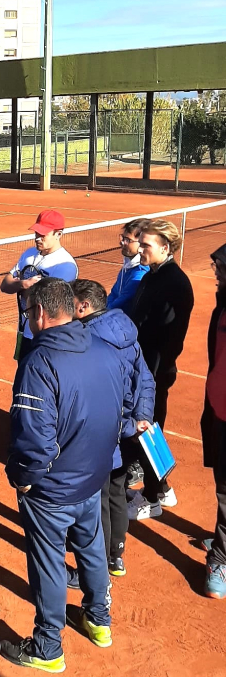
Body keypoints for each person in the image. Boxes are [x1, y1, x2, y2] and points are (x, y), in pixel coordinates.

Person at [0, 278, 124, 674]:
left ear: (39, 312)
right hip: (92, 478)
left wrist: (23, 477)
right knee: (91, 547)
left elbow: (34, 438)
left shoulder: (39, 362)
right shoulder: (103, 348)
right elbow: (116, 409)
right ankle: (99, 621)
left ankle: (48, 647)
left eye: (27, 312)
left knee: (49, 562)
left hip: (51, 490)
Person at [70, 279, 154, 580]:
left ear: (84, 306)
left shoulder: (88, 340)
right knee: (116, 492)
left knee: (97, 499)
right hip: (129, 429)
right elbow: (145, 379)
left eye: (70, 302)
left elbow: (96, 397)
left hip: (107, 431)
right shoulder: (125, 329)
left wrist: (128, 425)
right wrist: (141, 419)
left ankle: (96, 568)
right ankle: (115, 556)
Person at [126, 219, 194, 520]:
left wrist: (149, 376)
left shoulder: (174, 284)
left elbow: (168, 339)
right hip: (143, 369)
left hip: (152, 373)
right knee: (148, 432)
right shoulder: (153, 275)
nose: (140, 249)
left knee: (148, 432)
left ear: (165, 248)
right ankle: (161, 489)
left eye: (146, 245)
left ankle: (152, 498)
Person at [0, 210, 78, 361]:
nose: (37, 238)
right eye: (36, 233)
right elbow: (5, 285)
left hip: (49, 338)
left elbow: (51, 303)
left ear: (58, 234)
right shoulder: (28, 254)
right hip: (26, 332)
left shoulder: (65, 265)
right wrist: (23, 284)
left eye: (43, 234)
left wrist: (24, 289)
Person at [199, 244, 226, 600]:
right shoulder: (222, 305)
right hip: (218, 408)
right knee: (221, 479)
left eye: (221, 267)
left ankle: (220, 559)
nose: (216, 272)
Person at [106, 218, 149, 314]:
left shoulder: (140, 273)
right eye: (123, 238)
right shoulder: (128, 264)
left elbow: (123, 300)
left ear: (142, 242)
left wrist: (104, 312)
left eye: (128, 240)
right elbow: (114, 292)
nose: (123, 243)